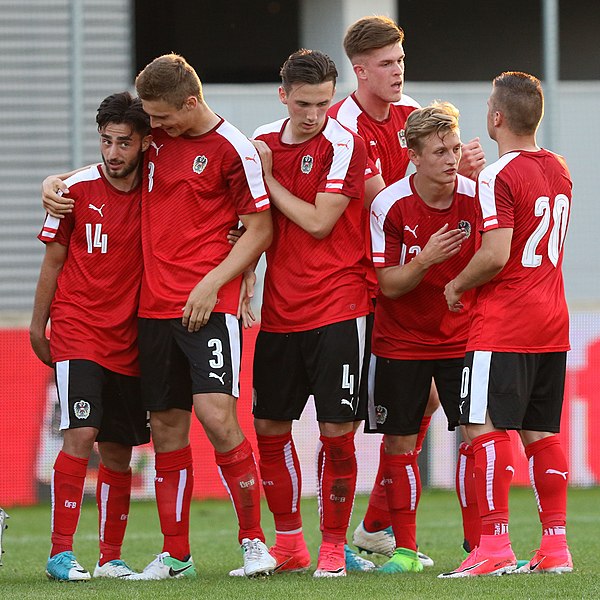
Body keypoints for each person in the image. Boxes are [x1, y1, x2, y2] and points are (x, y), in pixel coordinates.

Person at [42, 54, 275, 580]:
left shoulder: (231, 148)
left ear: (190, 103)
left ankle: (254, 543)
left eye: (163, 117)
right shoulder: (155, 140)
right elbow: (101, 169)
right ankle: (177, 555)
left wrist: (218, 282)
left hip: (207, 307)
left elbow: (259, 229)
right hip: (151, 311)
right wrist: (52, 182)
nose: (157, 128)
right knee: (168, 429)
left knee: (217, 417)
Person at [328, 14, 485, 567]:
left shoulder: (409, 111)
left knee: (422, 405)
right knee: (357, 419)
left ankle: (376, 523)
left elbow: (428, 172)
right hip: (359, 282)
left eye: (401, 60)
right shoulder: (343, 123)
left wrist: (458, 166)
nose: (398, 72)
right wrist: (445, 174)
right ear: (360, 69)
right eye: (388, 64)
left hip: (413, 280)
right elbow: (386, 201)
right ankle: (343, 536)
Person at [441, 71, 573, 577]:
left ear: (496, 117)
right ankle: (555, 546)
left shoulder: (500, 174)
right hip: (552, 320)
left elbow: (495, 255)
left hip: (504, 320)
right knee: (541, 431)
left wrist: (456, 285)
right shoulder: (559, 168)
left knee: (482, 428)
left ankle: (494, 545)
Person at [249, 48, 369, 578]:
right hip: (280, 311)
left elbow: (320, 223)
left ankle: (333, 547)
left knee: (337, 431)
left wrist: (269, 182)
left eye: (323, 103)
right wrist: (248, 280)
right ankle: (291, 543)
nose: (314, 114)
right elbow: (248, 224)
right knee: (269, 428)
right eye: (303, 103)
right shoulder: (262, 142)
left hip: (337, 306)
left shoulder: (346, 144)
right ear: (283, 96)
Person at [30, 92, 152, 581]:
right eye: (107, 141)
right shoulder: (73, 190)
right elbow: (53, 260)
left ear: (144, 143)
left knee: (120, 450)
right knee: (80, 434)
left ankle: (110, 557)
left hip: (134, 338)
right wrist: (39, 325)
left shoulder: (158, 191)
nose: (114, 152)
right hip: (79, 328)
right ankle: (61, 553)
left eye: (124, 142)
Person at [367, 101, 478, 574]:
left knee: (479, 440)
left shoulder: (478, 198)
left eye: (454, 148)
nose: (451, 159)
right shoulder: (389, 204)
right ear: (413, 155)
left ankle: (483, 547)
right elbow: (388, 285)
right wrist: (426, 259)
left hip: (465, 339)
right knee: (398, 444)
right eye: (438, 151)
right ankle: (407, 552)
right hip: (402, 342)